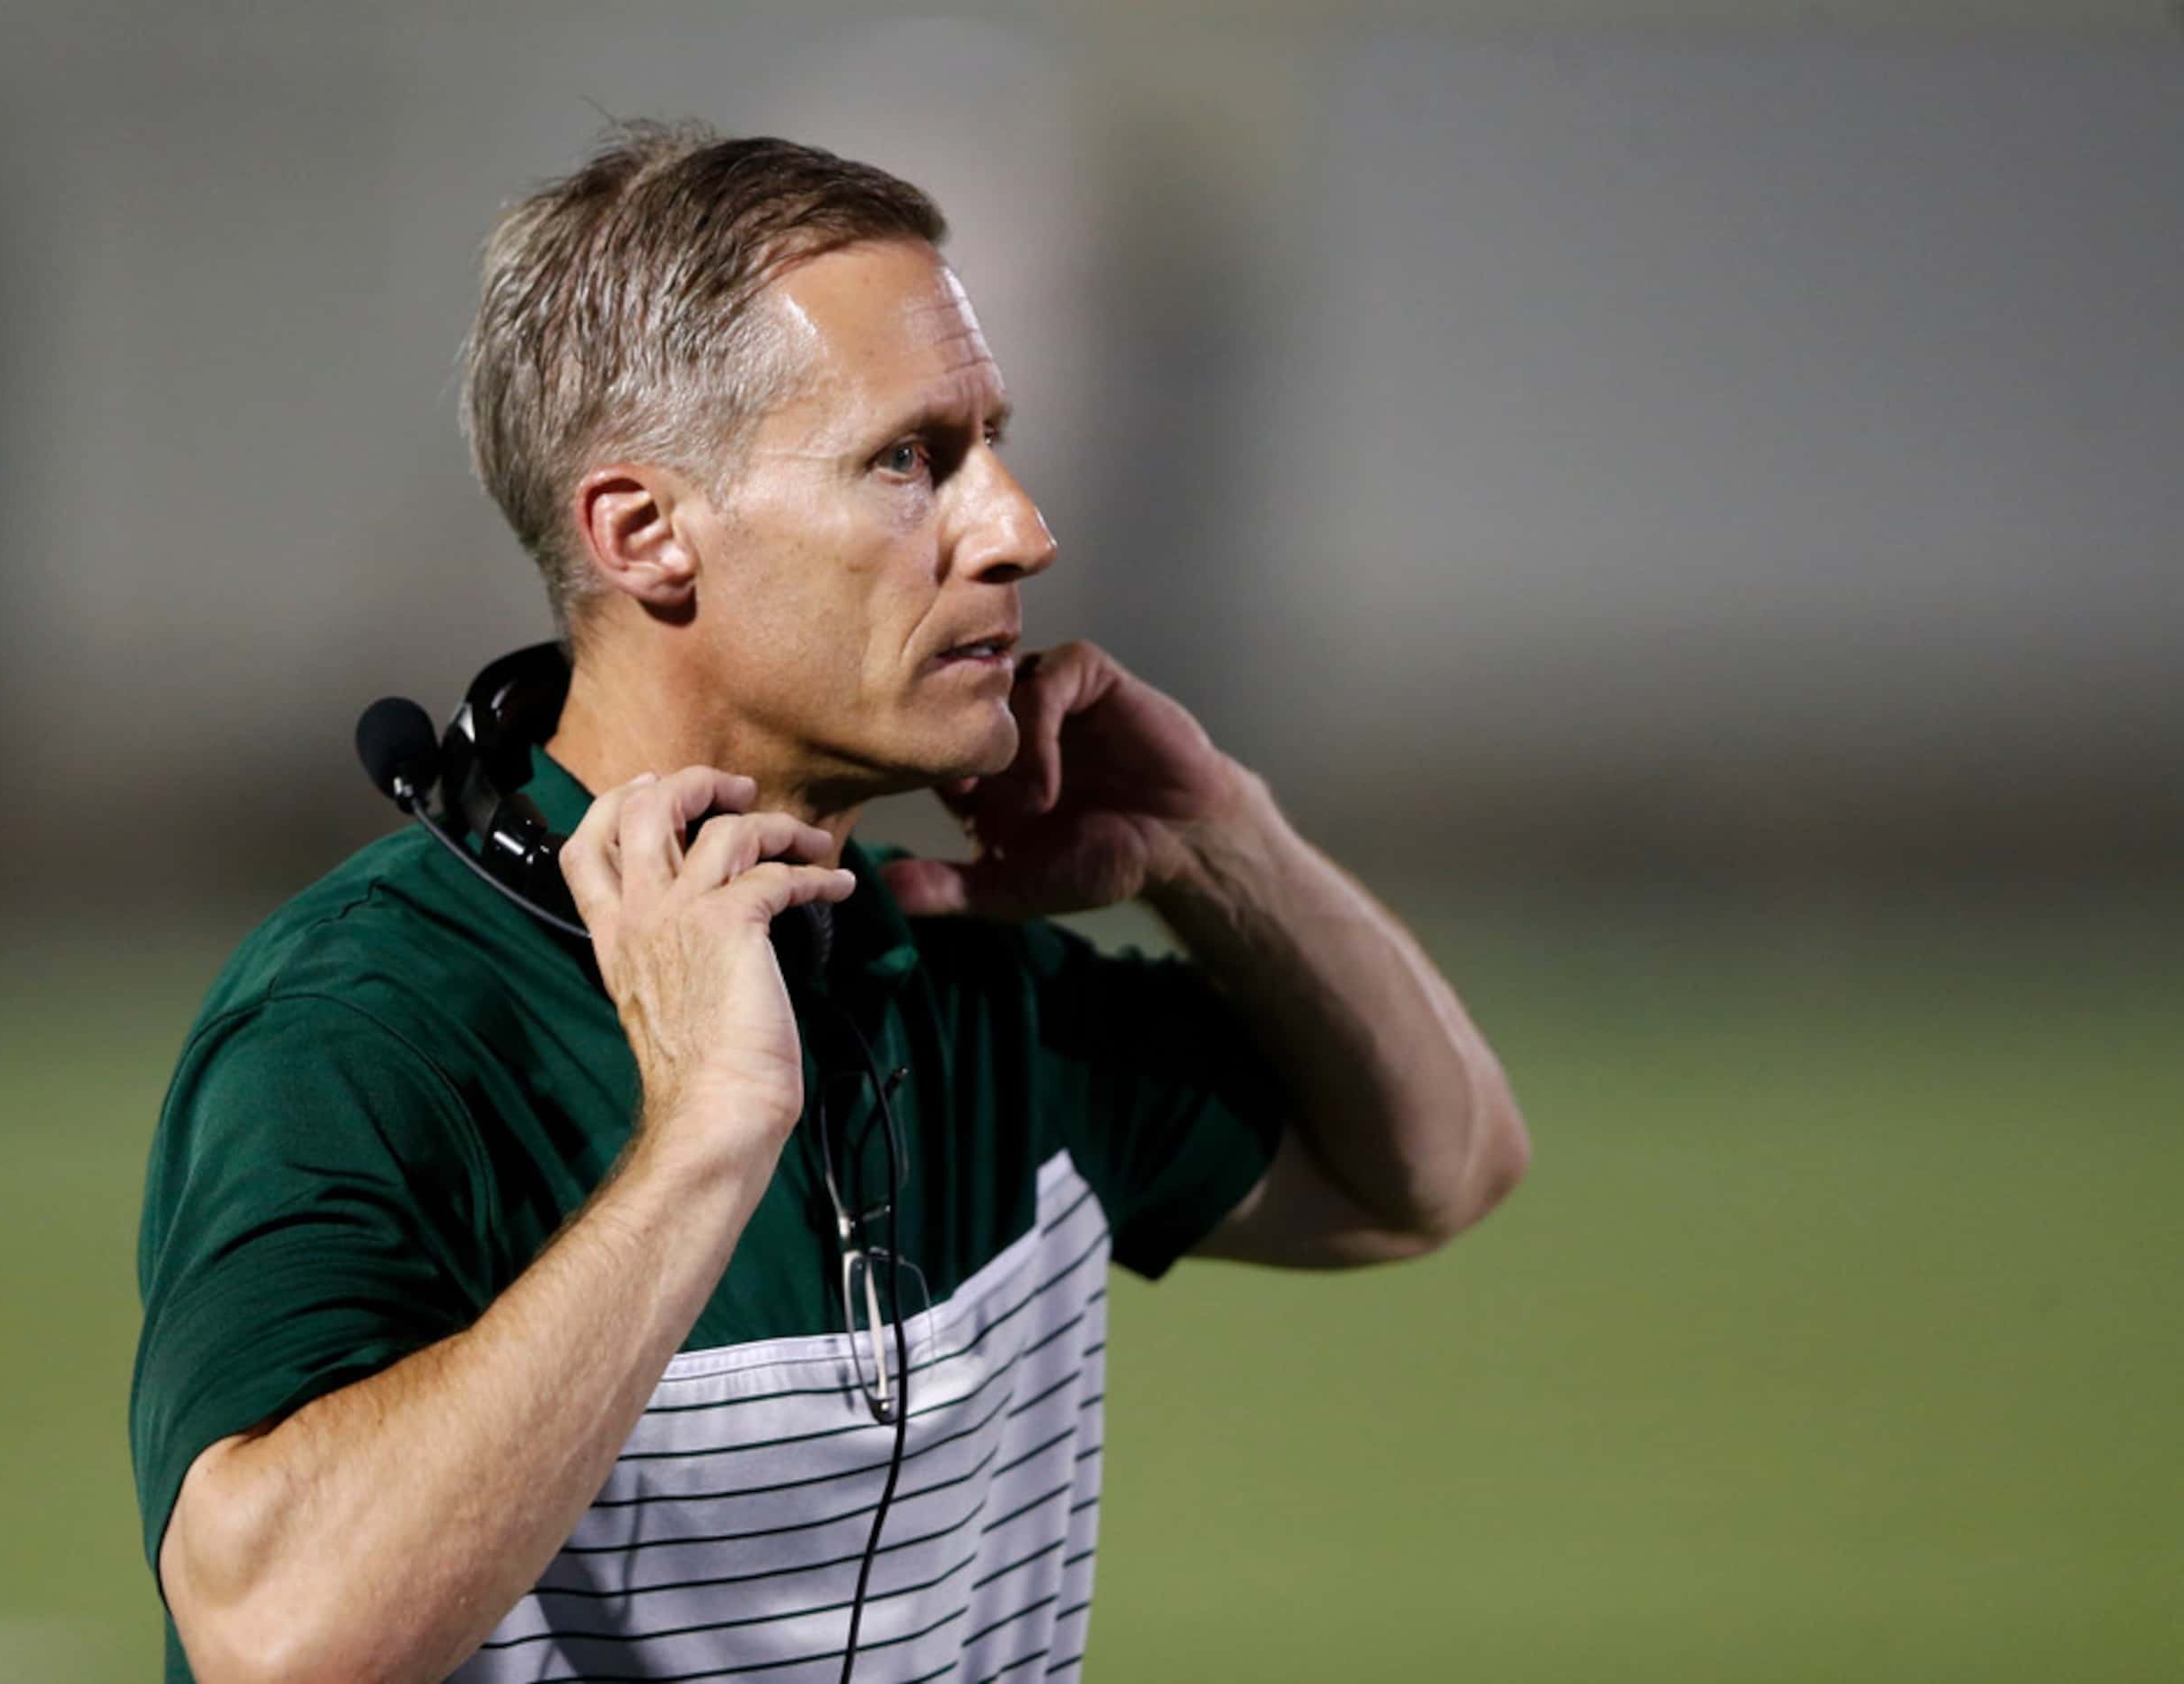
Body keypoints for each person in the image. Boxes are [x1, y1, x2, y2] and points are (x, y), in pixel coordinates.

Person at [127, 118, 1530, 1684]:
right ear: (645, 531)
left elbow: (1436, 1168)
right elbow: (274, 1635)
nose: (1022, 529)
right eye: (910, 459)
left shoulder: (943, 962)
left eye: (992, 442)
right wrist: (704, 1141)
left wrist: (1222, 842)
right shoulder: (370, 1021)